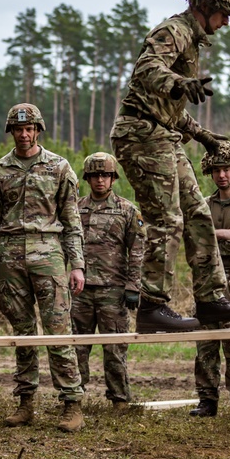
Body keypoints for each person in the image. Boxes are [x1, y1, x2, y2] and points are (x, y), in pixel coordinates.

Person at [110, 0, 230, 333]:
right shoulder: (173, 30)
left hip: (163, 133)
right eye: (224, 15)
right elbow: (146, 70)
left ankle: (210, 300)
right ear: (207, 4)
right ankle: (151, 307)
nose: (225, 23)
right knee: (167, 219)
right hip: (140, 134)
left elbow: (170, 109)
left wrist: (204, 136)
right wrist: (179, 82)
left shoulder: (190, 38)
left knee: (198, 214)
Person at [0, 104, 86, 432]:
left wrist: (77, 264)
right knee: (22, 333)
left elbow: (72, 220)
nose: (24, 135)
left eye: (30, 129)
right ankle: (26, 403)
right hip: (10, 257)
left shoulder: (58, 167)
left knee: (58, 330)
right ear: (11, 132)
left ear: (38, 130)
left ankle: (71, 403)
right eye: (18, 130)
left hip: (48, 254)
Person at [71, 152, 145, 411]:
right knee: (77, 346)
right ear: (87, 178)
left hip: (113, 291)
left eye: (104, 175)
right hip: (79, 290)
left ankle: (120, 400)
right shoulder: (75, 209)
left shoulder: (127, 210)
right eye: (94, 175)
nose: (99, 180)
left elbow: (137, 250)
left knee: (114, 348)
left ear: (113, 178)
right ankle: (74, 398)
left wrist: (133, 286)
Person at [191, 141, 230, 419]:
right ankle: (207, 399)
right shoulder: (203, 206)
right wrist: (228, 235)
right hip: (207, 277)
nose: (222, 175)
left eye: (227, 169)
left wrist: (219, 236)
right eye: (217, 170)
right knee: (206, 340)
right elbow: (195, 241)